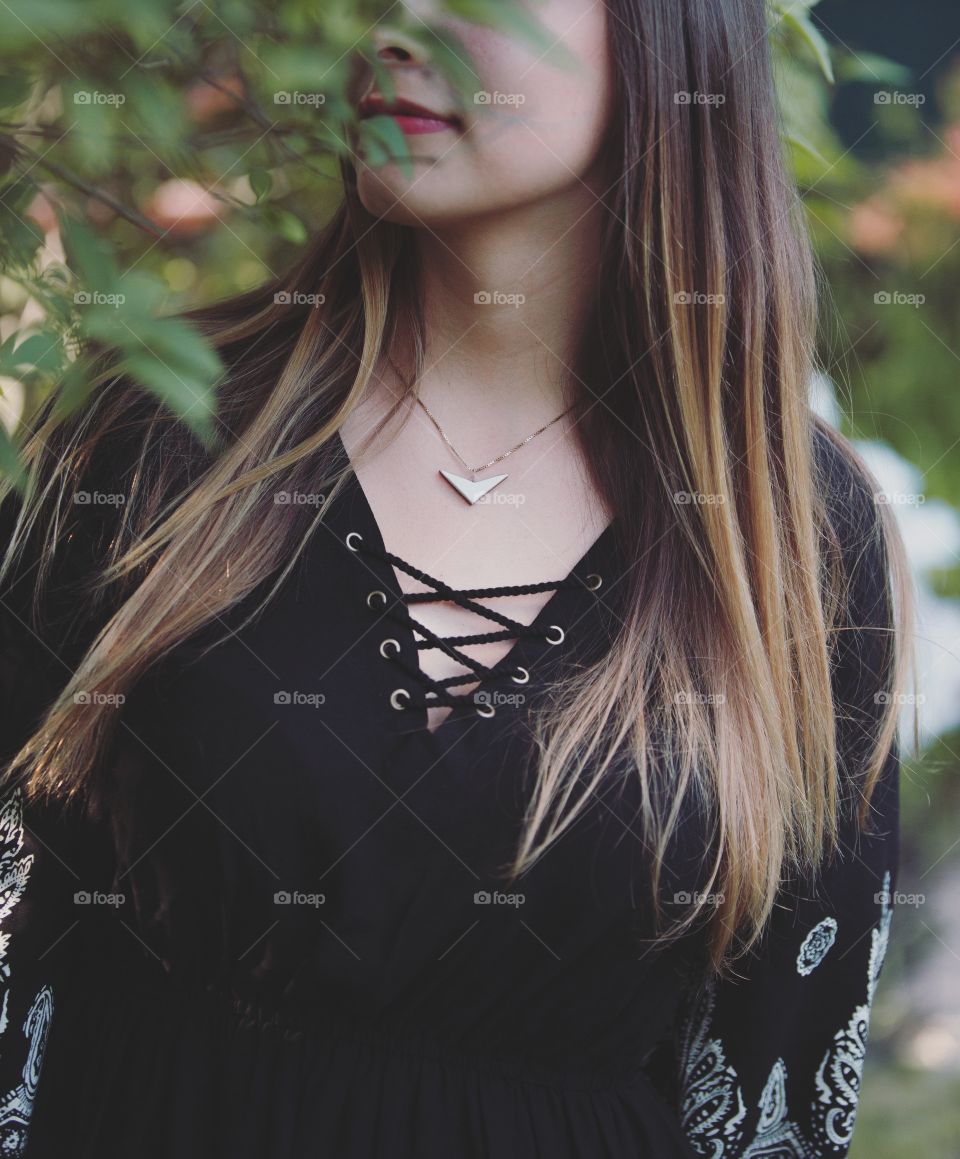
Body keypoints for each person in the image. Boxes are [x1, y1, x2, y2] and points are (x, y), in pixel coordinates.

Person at [0, 1, 910, 1155]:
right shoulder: (163, 426)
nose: (401, 23)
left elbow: (775, 1086)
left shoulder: (794, 540)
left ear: (670, 40)